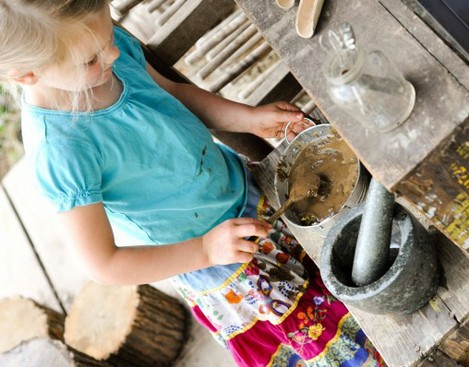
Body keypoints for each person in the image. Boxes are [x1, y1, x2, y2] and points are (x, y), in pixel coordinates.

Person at [1, 1, 385, 366]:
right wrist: (204, 250)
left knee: (366, 284)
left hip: (250, 196)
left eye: (108, 38)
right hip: (227, 264)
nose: (113, 55)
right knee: (340, 342)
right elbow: (104, 264)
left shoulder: (104, 48)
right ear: (26, 74)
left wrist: (248, 119)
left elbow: (174, 95)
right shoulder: (61, 150)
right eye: (91, 58)